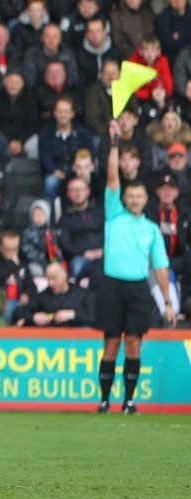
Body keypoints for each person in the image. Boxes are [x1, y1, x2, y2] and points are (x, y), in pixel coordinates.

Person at [96, 119, 176, 415]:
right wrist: (114, 143)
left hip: (137, 288)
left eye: (139, 196)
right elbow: (112, 176)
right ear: (126, 198)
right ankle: (104, 401)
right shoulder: (114, 213)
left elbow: (161, 267)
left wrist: (167, 302)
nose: (134, 199)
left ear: (145, 199)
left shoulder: (152, 230)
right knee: (111, 346)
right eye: (131, 195)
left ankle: (129, 402)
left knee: (132, 345)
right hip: (112, 286)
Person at [16, 262, 94, 326]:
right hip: (51, 339)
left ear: (64, 275)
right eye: (48, 279)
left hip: (78, 339)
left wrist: (72, 315)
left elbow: (93, 316)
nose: (50, 283)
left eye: (54, 278)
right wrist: (34, 317)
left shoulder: (82, 294)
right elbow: (20, 312)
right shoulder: (44, 296)